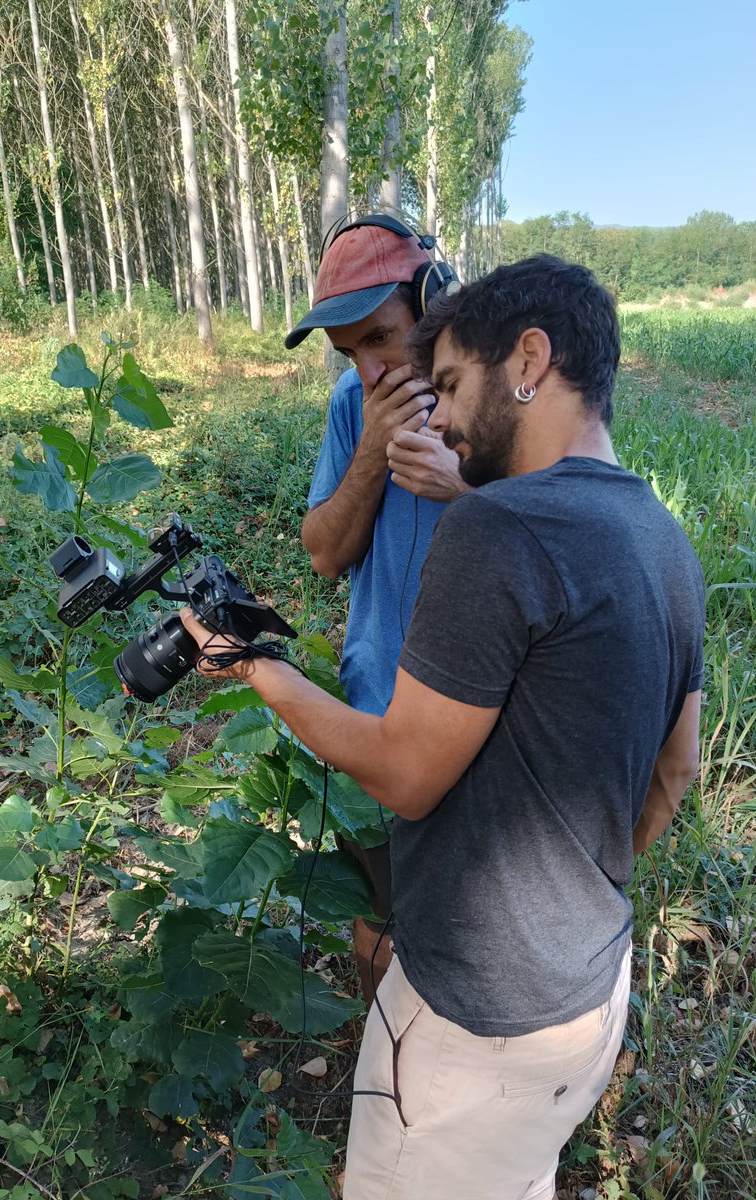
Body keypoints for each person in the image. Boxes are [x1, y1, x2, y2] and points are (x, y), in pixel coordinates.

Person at [181, 254, 704, 1199]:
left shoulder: (496, 528)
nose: (445, 415)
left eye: (454, 383)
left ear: (529, 360)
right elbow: (676, 772)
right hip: (588, 994)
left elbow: (407, 776)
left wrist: (253, 665)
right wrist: (566, 894)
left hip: (477, 1020)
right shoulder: (666, 541)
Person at [285, 217, 468, 992]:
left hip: (479, 717)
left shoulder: (503, 403)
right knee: (378, 906)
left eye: (382, 337)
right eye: (349, 351)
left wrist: (466, 491)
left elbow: (562, 538)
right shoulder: (351, 408)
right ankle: (379, 1054)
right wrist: (371, 454)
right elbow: (325, 552)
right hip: (375, 706)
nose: (368, 367)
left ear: (435, 303)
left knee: (470, 922)